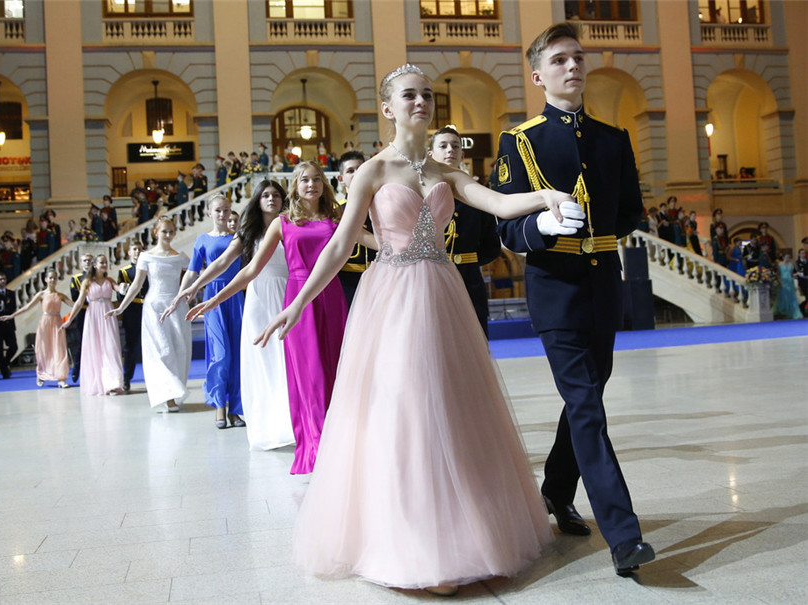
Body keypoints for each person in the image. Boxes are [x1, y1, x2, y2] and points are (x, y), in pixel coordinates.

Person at [254, 66, 578, 594]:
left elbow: (495, 204)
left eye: (428, 94)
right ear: (388, 109)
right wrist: (298, 304)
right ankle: (407, 541)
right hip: (393, 297)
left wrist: (545, 197)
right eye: (410, 95)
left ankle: (463, 532)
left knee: (450, 406)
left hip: (443, 291)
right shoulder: (373, 172)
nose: (422, 101)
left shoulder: (446, 171)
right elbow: (340, 245)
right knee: (403, 408)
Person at [493, 22, 655, 576]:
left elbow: (631, 209)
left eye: (578, 58)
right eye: (560, 60)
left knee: (584, 401)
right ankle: (625, 536)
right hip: (556, 292)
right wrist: (541, 225)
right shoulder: (521, 141)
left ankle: (556, 491)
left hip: (603, 288)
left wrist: (597, 230)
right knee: (588, 407)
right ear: (539, 75)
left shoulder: (613, 138)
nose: (574, 66)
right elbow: (507, 230)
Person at [189, 162, 355, 472]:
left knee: (336, 369)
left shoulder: (338, 217)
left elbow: (368, 241)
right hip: (296, 299)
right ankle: (319, 448)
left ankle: (341, 442)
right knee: (310, 375)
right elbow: (250, 269)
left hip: (331, 298)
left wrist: (406, 249)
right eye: (304, 179)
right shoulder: (282, 222)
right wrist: (214, 298)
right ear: (295, 185)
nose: (311, 185)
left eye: (317, 179)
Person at [164, 180, 293, 449]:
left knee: (288, 359)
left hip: (288, 293)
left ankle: (290, 418)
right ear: (257, 200)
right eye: (266, 195)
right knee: (262, 357)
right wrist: (190, 288)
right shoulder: (248, 231)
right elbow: (221, 263)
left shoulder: (292, 223)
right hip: (258, 297)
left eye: (276, 195)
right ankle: (261, 420)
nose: (271, 199)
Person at [109, 217, 191, 412]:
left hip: (176, 306)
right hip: (154, 307)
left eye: (171, 231)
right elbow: (137, 285)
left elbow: (195, 274)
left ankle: (174, 392)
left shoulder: (180, 257)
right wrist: (121, 308)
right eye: (164, 232)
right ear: (156, 233)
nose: (168, 235)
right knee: (163, 350)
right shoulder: (146, 257)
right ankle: (167, 396)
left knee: (179, 349)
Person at [180, 194, 246, 428]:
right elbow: (192, 271)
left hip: (236, 296)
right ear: (209, 213)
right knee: (220, 353)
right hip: (213, 298)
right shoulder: (202, 240)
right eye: (218, 210)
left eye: (226, 210)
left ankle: (236, 410)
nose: (223, 214)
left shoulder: (239, 238)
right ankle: (220, 405)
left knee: (238, 354)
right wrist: (182, 293)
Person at [429, 126, 502, 336]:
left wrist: (467, 260)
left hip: (469, 280)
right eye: (443, 146)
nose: (450, 150)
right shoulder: (421, 194)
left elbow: (491, 245)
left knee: (475, 338)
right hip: (434, 279)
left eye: (455, 146)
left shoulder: (475, 195)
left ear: (463, 154)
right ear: (431, 154)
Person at [60, 255, 125, 396]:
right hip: (93, 316)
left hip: (107, 315)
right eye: (102, 262)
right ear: (95, 265)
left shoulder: (110, 280)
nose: (104, 265)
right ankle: (99, 383)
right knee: (96, 348)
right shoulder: (87, 282)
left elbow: (118, 288)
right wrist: (69, 319)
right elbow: (78, 302)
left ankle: (112, 383)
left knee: (111, 347)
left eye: (106, 262)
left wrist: (123, 288)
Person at [0, 269, 70, 388]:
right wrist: (12, 316)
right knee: (44, 349)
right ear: (46, 279)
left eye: (55, 278)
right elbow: (27, 307)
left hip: (57, 322)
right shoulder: (41, 294)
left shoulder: (60, 295)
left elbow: (75, 305)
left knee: (59, 350)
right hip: (45, 322)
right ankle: (41, 374)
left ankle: (61, 378)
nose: (53, 280)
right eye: (50, 278)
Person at [334, 150, 377, 306]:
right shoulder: (335, 211)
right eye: (350, 171)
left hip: (379, 277)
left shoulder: (381, 207)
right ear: (341, 178)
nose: (357, 173)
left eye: (360, 168)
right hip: (347, 281)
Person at [116, 241, 147, 392]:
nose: (137, 252)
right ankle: (127, 379)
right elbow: (120, 294)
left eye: (140, 249)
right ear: (129, 252)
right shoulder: (124, 271)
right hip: (132, 309)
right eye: (134, 249)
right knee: (130, 345)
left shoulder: (149, 268)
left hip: (147, 307)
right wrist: (121, 291)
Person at [67, 253, 94, 384]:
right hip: (83, 312)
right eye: (85, 260)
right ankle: (76, 369)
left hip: (97, 312)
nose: (87, 262)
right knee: (81, 343)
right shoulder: (76, 278)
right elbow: (75, 297)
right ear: (81, 262)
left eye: (90, 260)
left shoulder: (98, 276)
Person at [772, 254, 802, 320]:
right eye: (786, 257)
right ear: (783, 257)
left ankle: (793, 312)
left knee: (791, 298)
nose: (787, 259)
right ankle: (783, 312)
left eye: (789, 257)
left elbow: (791, 274)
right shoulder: (780, 265)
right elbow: (778, 275)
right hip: (783, 282)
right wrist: (780, 282)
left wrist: (794, 280)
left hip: (790, 282)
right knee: (783, 297)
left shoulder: (791, 265)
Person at [795, 248, 808, 317]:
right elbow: (798, 271)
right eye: (802, 253)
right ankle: (800, 308)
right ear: (799, 254)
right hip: (802, 281)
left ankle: (801, 308)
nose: (803, 254)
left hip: (807, 280)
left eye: (804, 253)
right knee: (806, 296)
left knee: (807, 297)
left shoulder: (806, 261)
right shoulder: (797, 262)